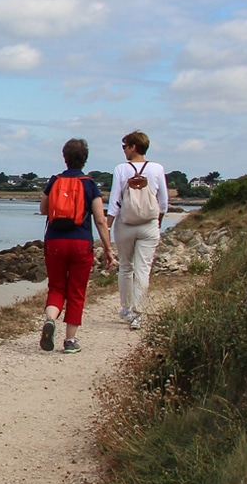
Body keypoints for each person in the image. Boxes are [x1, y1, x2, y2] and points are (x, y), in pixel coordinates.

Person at [39, 138, 113, 354]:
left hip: (55, 241)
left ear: (65, 157)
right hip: (80, 242)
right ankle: (70, 341)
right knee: (76, 291)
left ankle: (50, 319)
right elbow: (100, 220)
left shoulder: (54, 181)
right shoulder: (90, 184)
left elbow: (44, 209)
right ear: (85, 158)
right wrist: (108, 248)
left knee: (56, 287)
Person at [106, 130, 169, 330]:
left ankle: (125, 308)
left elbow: (115, 201)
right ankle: (138, 314)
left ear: (133, 147)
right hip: (149, 224)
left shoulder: (121, 169)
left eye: (125, 146)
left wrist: (106, 225)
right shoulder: (157, 169)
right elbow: (163, 202)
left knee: (126, 267)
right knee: (143, 269)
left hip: (126, 224)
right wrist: (158, 221)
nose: (124, 150)